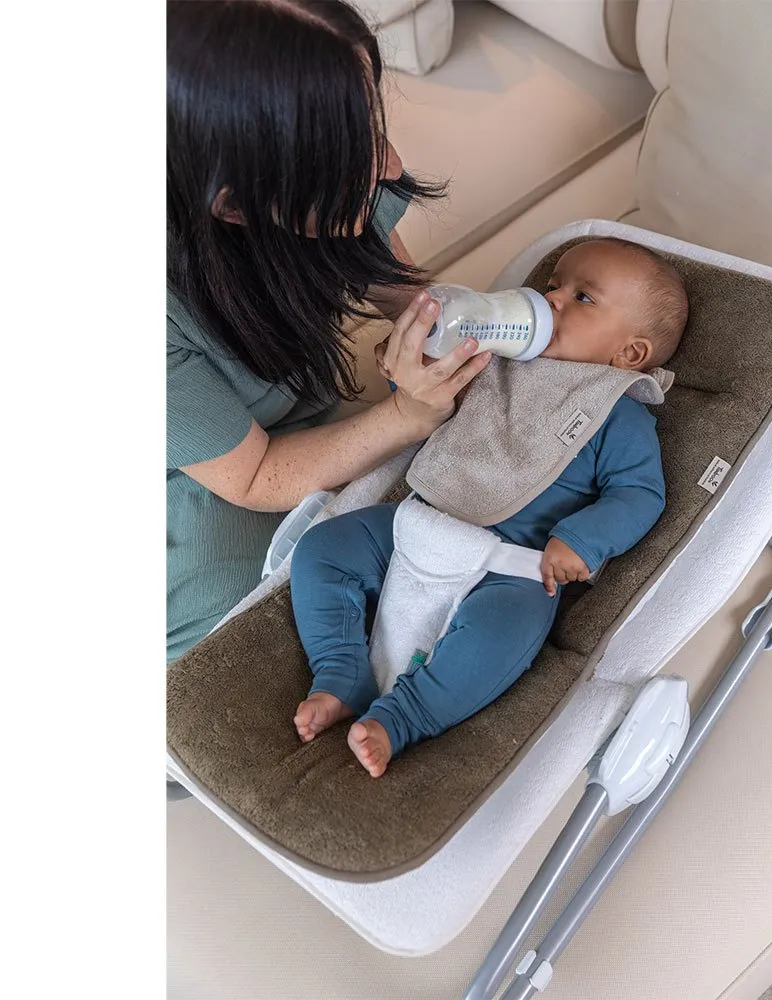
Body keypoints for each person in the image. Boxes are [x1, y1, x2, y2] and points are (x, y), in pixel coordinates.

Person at [288, 238, 690, 777]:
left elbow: (639, 494)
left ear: (630, 354)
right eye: (552, 285)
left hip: (512, 565)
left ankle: (403, 717)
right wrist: (412, 369)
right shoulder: (496, 360)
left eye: (582, 298)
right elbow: (436, 393)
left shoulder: (618, 415)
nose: (551, 299)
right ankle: (340, 671)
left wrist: (582, 539)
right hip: (421, 520)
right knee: (324, 548)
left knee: (504, 635)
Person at [166, 0, 491, 662]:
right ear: (233, 205)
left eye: (373, 123)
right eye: (348, 153)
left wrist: (455, 334)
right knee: (242, 631)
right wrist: (404, 417)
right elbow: (254, 477)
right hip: (207, 477)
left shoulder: (333, 190)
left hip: (293, 425)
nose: (391, 164)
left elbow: (406, 294)